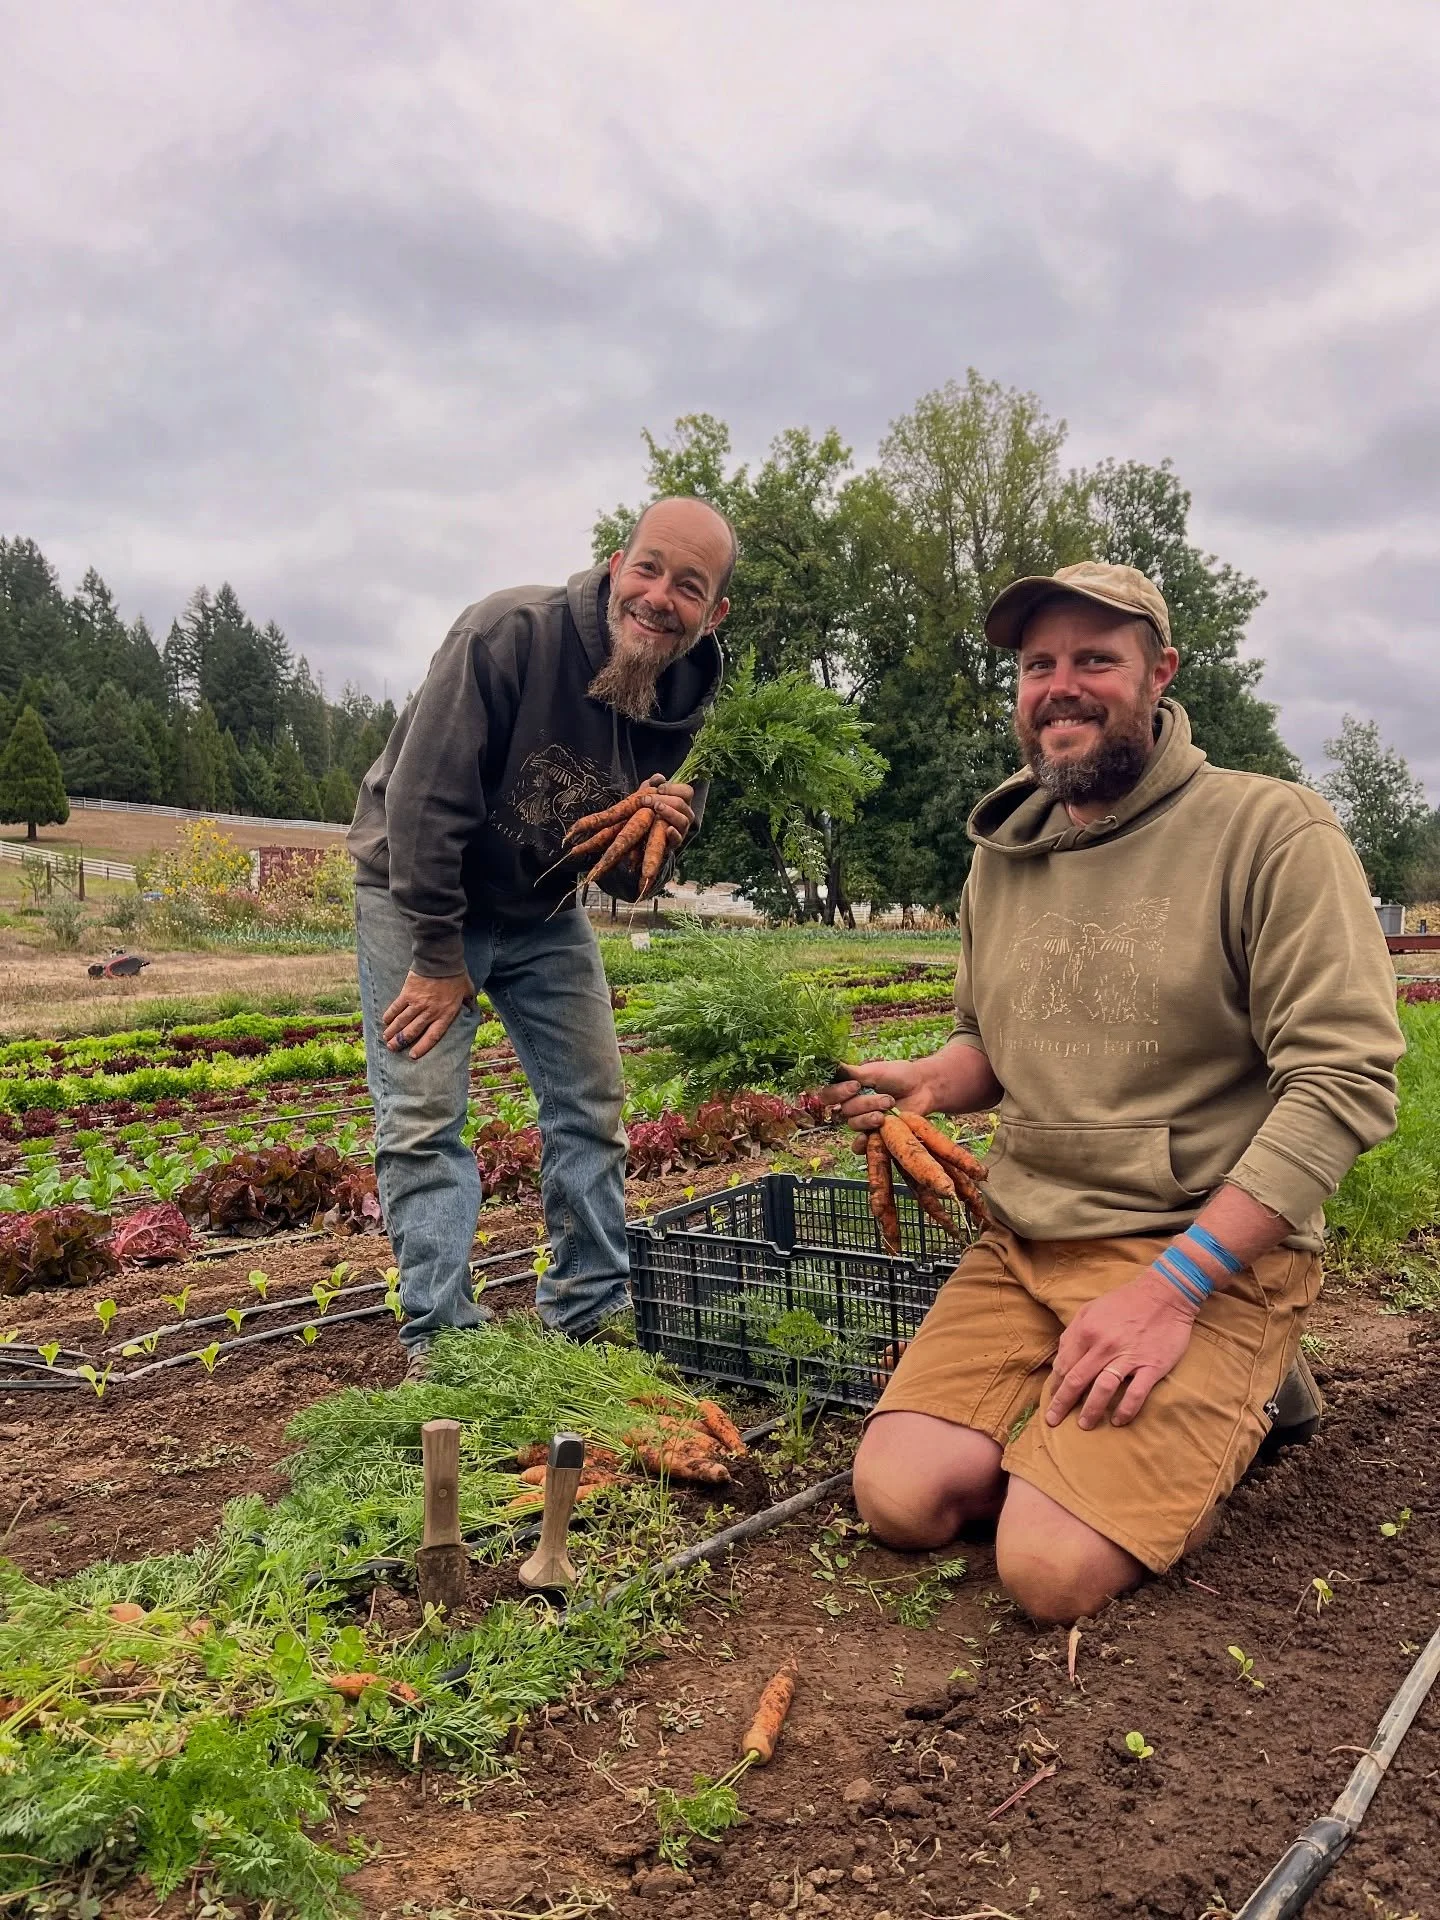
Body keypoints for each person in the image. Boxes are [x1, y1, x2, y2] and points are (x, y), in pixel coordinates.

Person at [829, 561, 1403, 1626]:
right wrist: (931, 1082)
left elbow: (1345, 1078)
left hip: (1198, 1249)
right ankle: (1162, 1410)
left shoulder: (1269, 831)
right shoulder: (1005, 854)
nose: (1062, 686)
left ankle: (1233, 1384)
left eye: (1096, 658)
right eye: (1038, 665)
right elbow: (987, 1045)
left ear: (1159, 674)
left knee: (1046, 1569)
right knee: (900, 1499)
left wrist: (1172, 1289)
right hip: (1028, 1240)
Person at [348, 497, 734, 1373]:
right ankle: (443, 1344)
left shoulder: (693, 705)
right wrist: (442, 960)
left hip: (543, 907)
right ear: (613, 563)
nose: (658, 596)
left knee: (591, 1101)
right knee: (421, 1116)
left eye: (688, 585)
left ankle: (590, 1309)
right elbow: (421, 807)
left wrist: (663, 836)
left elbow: (635, 877)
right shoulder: (508, 633)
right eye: (648, 568)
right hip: (419, 891)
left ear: (714, 613)